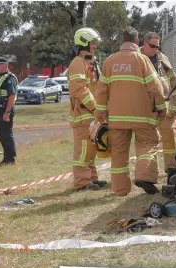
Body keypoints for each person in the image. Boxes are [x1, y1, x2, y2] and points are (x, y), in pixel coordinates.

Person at [95, 27, 167, 196]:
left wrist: (100, 114)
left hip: (117, 118)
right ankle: (144, 177)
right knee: (147, 145)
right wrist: (162, 108)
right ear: (136, 42)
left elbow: (101, 91)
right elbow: (155, 87)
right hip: (143, 116)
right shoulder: (142, 60)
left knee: (119, 153)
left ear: (122, 41)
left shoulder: (109, 62)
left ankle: (120, 189)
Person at [68, 28, 107, 191]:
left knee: (90, 149)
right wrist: (95, 107)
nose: (95, 46)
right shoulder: (78, 63)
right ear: (84, 43)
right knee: (83, 150)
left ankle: (91, 179)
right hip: (83, 115)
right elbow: (79, 89)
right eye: (92, 43)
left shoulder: (90, 62)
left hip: (90, 115)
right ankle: (82, 183)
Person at [140, 31, 176, 170]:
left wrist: (175, 103)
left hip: (165, 107)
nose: (156, 49)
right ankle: (148, 173)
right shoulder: (137, 59)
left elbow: (173, 79)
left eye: (158, 46)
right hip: (145, 108)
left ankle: (172, 169)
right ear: (144, 44)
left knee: (170, 137)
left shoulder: (163, 58)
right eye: (153, 46)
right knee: (149, 142)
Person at [0, 57, 18, 166]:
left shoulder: (9, 78)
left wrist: (7, 112)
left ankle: (10, 159)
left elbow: (12, 95)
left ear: (4, 65)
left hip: (5, 109)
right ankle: (6, 158)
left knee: (6, 135)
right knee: (2, 134)